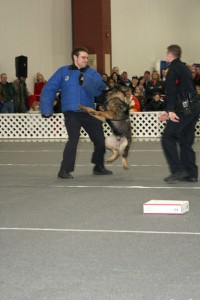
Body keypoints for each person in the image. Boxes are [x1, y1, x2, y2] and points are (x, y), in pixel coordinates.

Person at [40, 46, 112, 179]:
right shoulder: (63, 72)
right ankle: (64, 170)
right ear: (75, 58)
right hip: (71, 112)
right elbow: (49, 88)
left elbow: (102, 87)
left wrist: (89, 81)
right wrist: (46, 109)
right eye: (83, 57)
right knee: (73, 139)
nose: (86, 60)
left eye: (87, 57)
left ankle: (98, 166)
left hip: (88, 111)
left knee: (100, 140)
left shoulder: (92, 73)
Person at [160, 44, 200, 183]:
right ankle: (191, 173)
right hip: (193, 106)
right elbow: (183, 90)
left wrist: (170, 110)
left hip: (183, 108)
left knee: (167, 137)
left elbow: (172, 91)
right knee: (185, 140)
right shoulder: (184, 68)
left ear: (169, 55)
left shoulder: (172, 70)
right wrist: (168, 110)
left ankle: (177, 170)